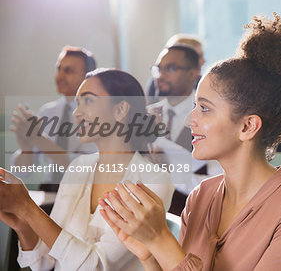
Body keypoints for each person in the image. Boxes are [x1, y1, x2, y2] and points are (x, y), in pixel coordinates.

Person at [99, 14, 281, 270]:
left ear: (247, 126)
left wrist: (162, 241)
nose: (189, 120)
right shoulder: (201, 196)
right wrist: (149, 255)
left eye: (205, 109)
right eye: (195, 106)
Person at [0, 69, 174, 270]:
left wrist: (28, 209)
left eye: (88, 101)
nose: (77, 113)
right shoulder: (79, 168)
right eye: (77, 103)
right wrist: (23, 227)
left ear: (120, 110)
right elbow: (45, 261)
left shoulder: (153, 180)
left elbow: (96, 266)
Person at [10, 46, 98, 187]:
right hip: (50, 190)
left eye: (68, 70)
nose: (59, 76)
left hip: (84, 190)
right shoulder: (47, 111)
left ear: (88, 76)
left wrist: (38, 138)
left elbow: (81, 167)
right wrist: (26, 148)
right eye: (59, 69)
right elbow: (23, 171)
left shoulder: (98, 113)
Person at [147, 43, 218, 216]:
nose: (161, 75)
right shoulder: (146, 116)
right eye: (158, 68)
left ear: (193, 73)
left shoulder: (210, 118)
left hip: (192, 220)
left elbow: (219, 185)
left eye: (170, 68)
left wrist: (169, 174)